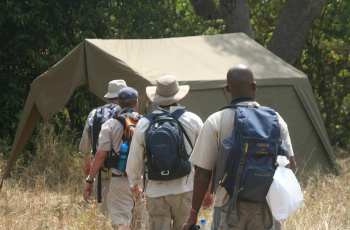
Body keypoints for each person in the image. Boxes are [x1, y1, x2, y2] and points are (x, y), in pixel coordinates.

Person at [181, 64, 297, 230]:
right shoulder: (276, 119)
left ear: (227, 89)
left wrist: (193, 214)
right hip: (266, 208)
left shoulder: (216, 120)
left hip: (228, 207)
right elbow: (291, 166)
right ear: (254, 86)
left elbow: (202, 173)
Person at [126, 74, 205, 230]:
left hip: (156, 192)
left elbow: (135, 158)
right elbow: (205, 158)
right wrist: (208, 190)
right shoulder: (192, 120)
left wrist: (134, 184)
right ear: (178, 95)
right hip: (185, 189)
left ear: (156, 98)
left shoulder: (144, 123)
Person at [83, 87, 140, 229]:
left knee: (121, 223)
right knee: (140, 223)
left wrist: (90, 179)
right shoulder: (145, 122)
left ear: (119, 104)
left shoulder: (109, 124)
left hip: (119, 179)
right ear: (136, 103)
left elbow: (101, 154)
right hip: (141, 180)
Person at [79, 79, 127, 215]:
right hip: (123, 168)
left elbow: (85, 144)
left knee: (104, 212)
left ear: (109, 95)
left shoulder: (94, 114)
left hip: (101, 168)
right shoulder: (127, 114)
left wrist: (88, 167)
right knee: (124, 213)